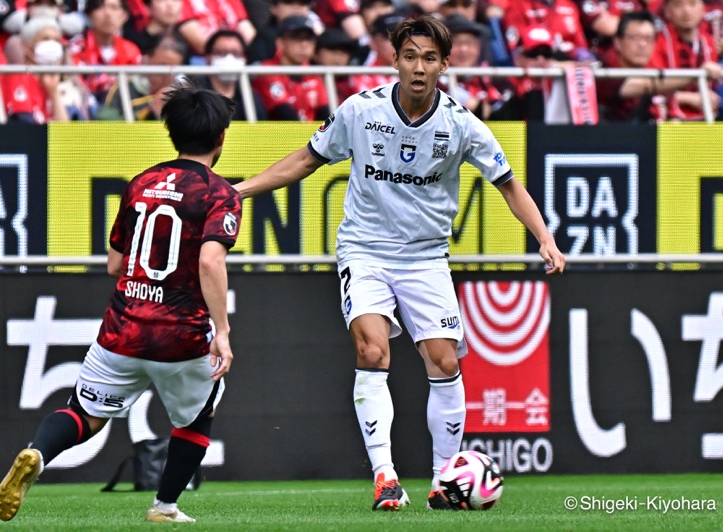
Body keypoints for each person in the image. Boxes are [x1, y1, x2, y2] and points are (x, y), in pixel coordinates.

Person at [234, 14, 564, 512]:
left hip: (427, 258)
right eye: (409, 56)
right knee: (372, 350)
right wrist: (240, 190)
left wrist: (544, 238)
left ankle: (444, 481)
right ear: (394, 60)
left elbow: (508, 184)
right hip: (364, 250)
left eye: (429, 58)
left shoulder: (461, 124)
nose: (418, 67)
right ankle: (385, 476)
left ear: (444, 65)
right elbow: (306, 158)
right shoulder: (360, 111)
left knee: (444, 361)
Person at [0, 83, 241, 524]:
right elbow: (209, 260)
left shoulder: (142, 183)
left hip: (123, 328)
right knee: (198, 413)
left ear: (172, 134)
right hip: (181, 336)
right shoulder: (219, 193)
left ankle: (37, 452)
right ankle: (165, 507)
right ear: (222, 137)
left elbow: (115, 264)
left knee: (83, 413)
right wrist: (221, 331)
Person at [251, 14, 329, 121]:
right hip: (280, 135)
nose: (305, 44)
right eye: (297, 38)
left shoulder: (313, 73)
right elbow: (283, 114)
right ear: (280, 43)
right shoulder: (267, 71)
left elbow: (325, 113)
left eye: (309, 38)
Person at [96, 31, 187, 120]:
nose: (167, 75)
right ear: (145, 60)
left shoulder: (183, 92)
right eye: (162, 66)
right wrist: (148, 112)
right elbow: (103, 121)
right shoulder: (124, 88)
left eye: (173, 70)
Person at [2, 17, 71, 122]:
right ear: (26, 46)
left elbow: (65, 132)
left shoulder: (54, 79)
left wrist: (53, 91)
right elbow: (25, 125)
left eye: (56, 40)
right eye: (45, 39)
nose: (52, 45)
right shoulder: (17, 74)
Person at [197, 29, 268, 120]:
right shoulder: (193, 94)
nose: (229, 58)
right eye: (221, 53)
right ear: (207, 58)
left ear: (244, 59)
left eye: (236, 53)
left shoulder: (250, 97)